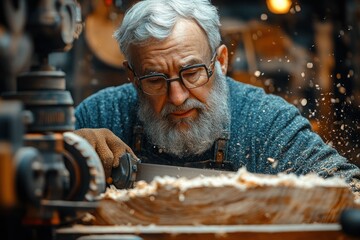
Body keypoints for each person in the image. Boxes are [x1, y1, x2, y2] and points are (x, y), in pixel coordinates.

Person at [74, 0, 360, 192]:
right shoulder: (101, 115)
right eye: (154, 80)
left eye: (192, 72)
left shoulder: (265, 122)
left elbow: (350, 187)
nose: (176, 96)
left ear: (221, 61)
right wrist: (69, 148)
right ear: (132, 75)